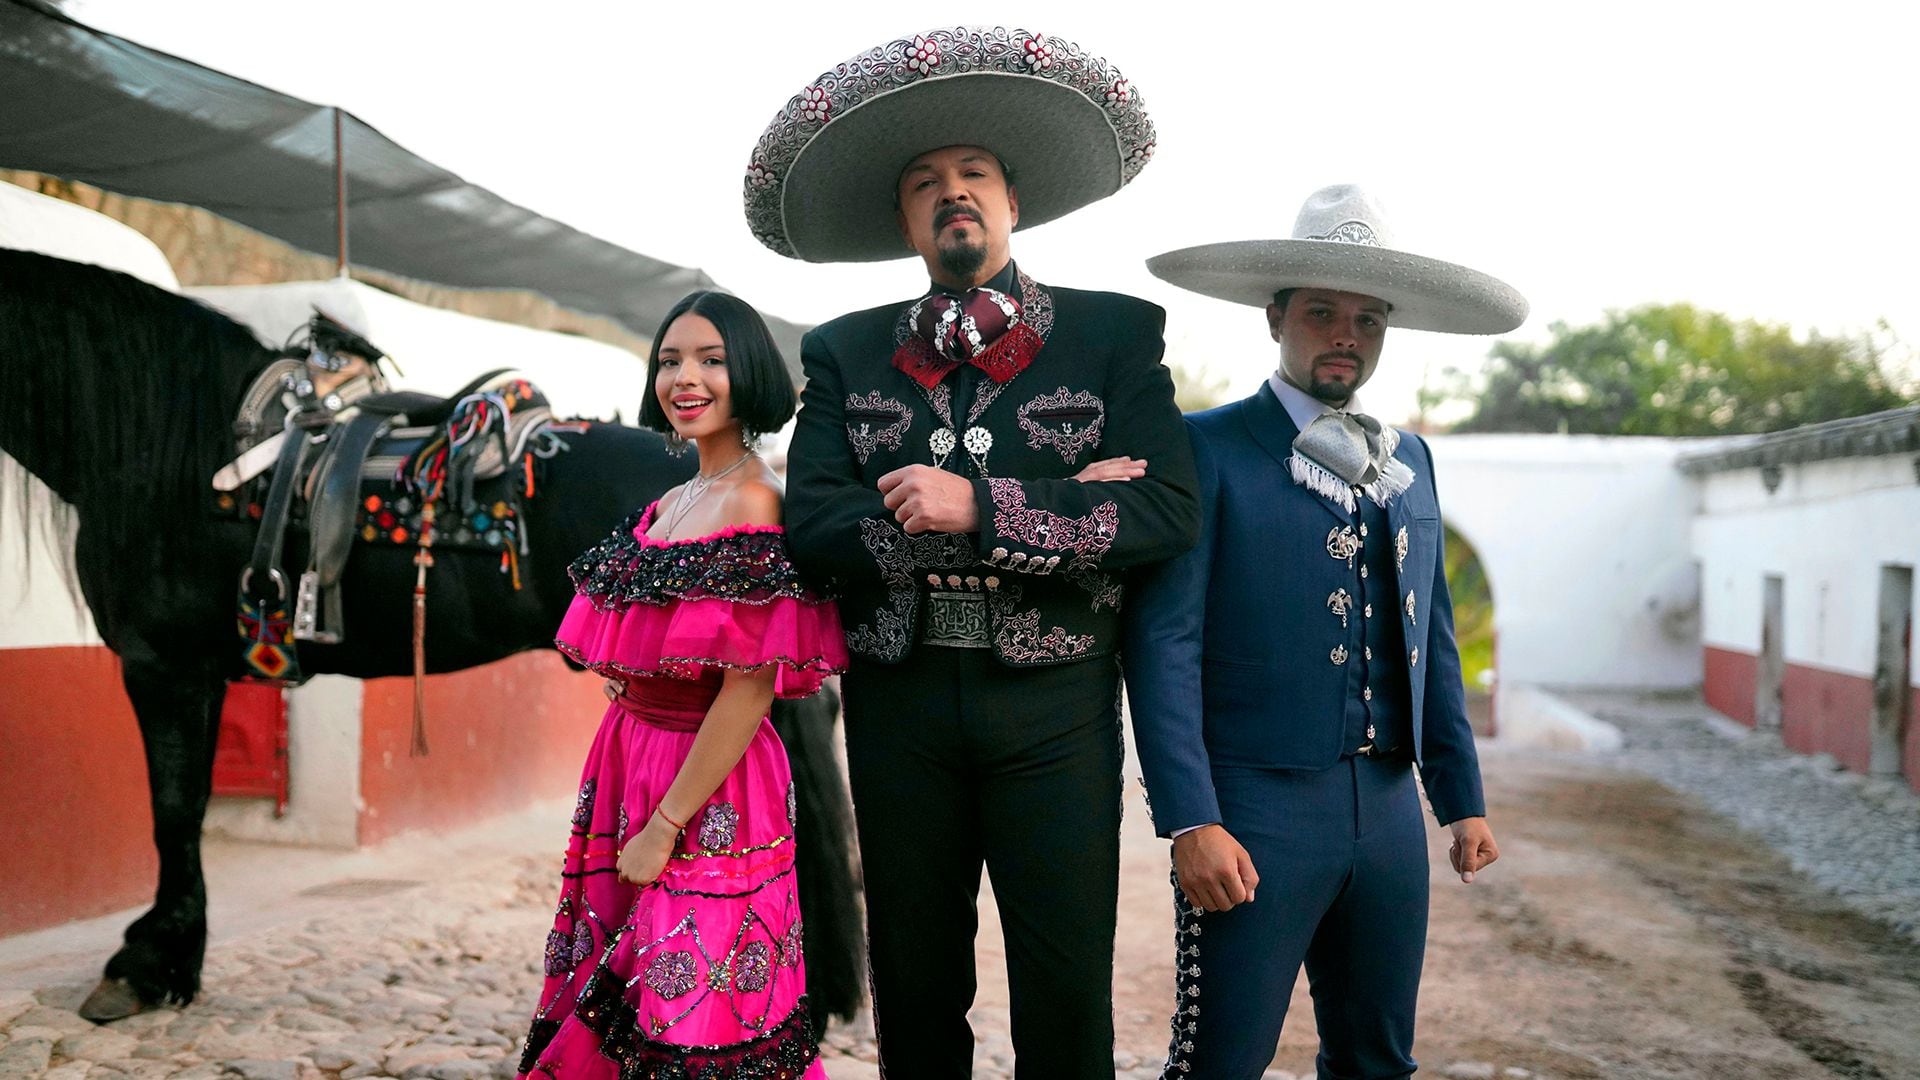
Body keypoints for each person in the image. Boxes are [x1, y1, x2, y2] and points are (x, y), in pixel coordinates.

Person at [745, 27, 1199, 1078]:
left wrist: (982, 508)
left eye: (974, 174)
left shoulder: (1115, 335)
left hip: (1055, 711)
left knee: (1065, 985)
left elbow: (1166, 513)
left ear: (1012, 203)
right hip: (900, 706)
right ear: (903, 218)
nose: (952, 192)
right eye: (924, 182)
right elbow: (813, 525)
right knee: (916, 985)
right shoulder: (843, 350)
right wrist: (1058, 507)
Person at [1126, 184, 1526, 1079]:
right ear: (1276, 318)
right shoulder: (1209, 447)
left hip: (1387, 814)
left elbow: (1437, 641)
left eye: (1368, 319)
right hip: (1255, 810)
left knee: (1379, 1059)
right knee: (1221, 1061)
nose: (1346, 334)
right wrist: (1191, 818)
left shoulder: (1411, 458)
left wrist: (1460, 799)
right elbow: (1163, 646)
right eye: (1322, 312)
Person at [515, 290, 847, 1078]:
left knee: (692, 1000)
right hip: (629, 760)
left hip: (710, 784)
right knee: (618, 979)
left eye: (710, 360)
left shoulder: (758, 500)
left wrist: (665, 822)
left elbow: (747, 690)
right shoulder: (672, 501)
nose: (684, 378)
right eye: (669, 361)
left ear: (750, 374)